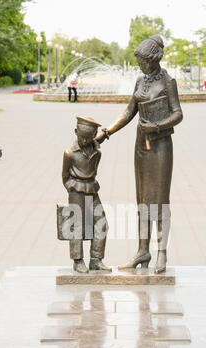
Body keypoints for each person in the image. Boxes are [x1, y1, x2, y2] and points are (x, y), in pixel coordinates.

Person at [97, 35, 183, 274]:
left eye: (143, 61)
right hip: (141, 145)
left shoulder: (168, 81)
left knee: (160, 200)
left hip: (160, 145)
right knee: (143, 199)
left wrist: (156, 127)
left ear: (154, 59)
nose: (139, 65)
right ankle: (142, 251)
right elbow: (128, 111)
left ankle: (162, 253)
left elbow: (178, 114)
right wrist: (106, 132)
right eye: (138, 61)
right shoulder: (139, 81)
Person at [61, 117, 111, 274]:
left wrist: (105, 134)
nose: (84, 140)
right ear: (76, 132)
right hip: (76, 190)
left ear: (94, 135)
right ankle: (78, 261)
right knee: (77, 225)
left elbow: (98, 141)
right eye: (81, 137)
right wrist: (71, 188)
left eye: (88, 138)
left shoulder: (96, 151)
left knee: (102, 223)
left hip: (92, 189)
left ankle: (96, 260)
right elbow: (65, 176)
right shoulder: (69, 154)